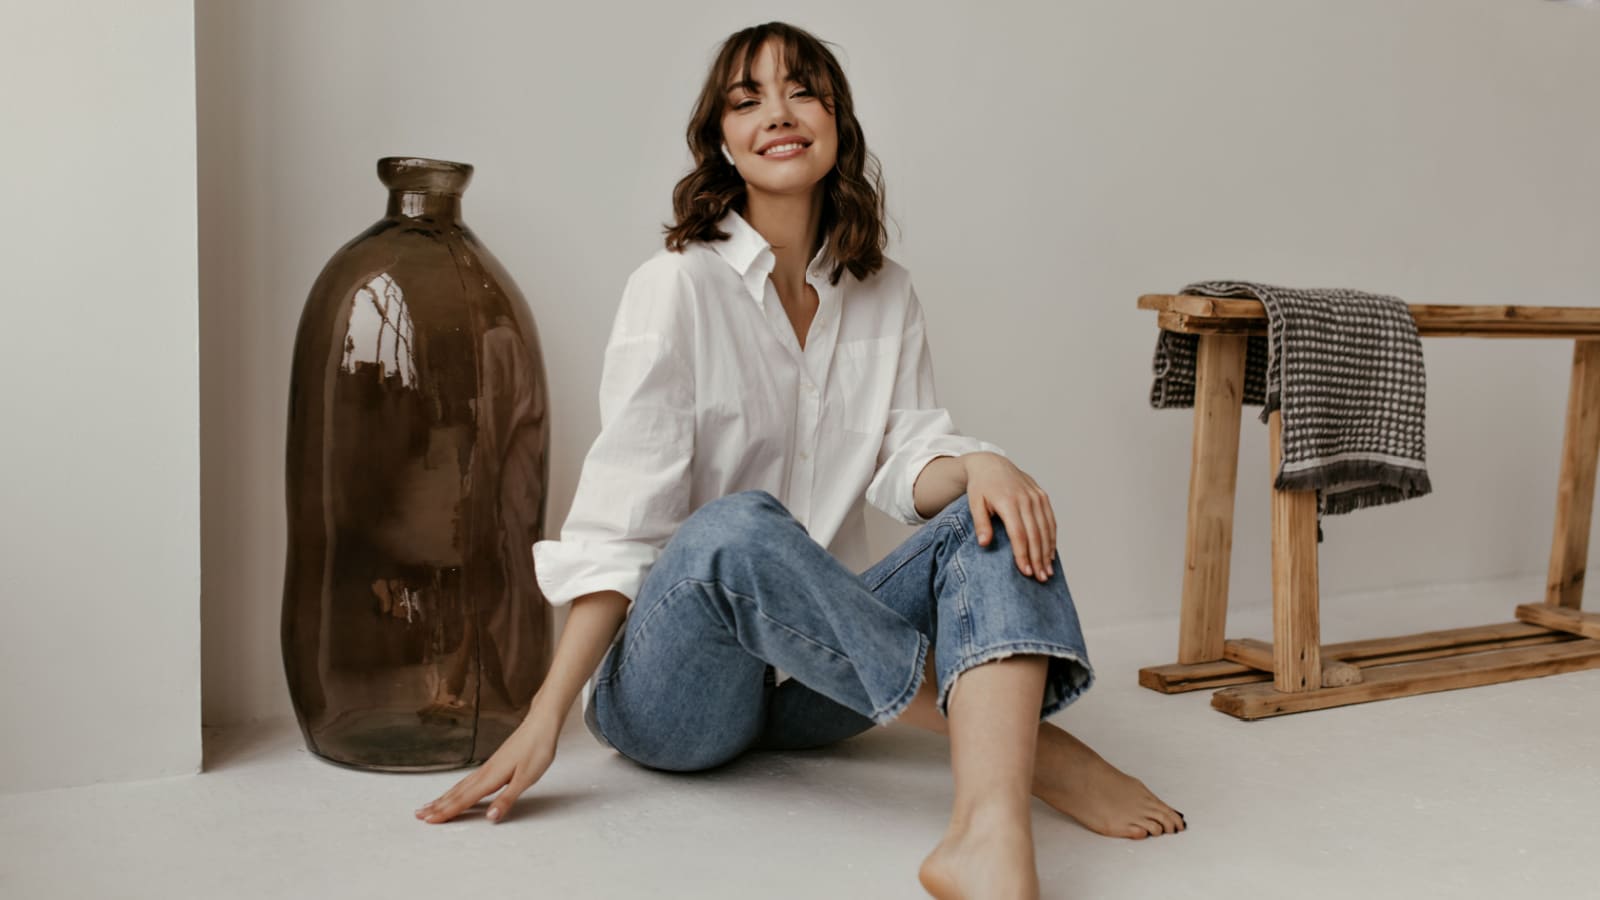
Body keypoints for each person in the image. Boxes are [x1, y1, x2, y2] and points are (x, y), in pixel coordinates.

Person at [415, 21, 1185, 898]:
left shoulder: (884, 290)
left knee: (992, 511)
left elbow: (907, 463)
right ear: (722, 142)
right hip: (675, 700)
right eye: (747, 100)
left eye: (801, 91)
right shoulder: (676, 287)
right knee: (739, 526)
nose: (777, 114)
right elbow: (617, 530)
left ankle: (989, 827)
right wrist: (545, 717)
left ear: (837, 120)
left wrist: (976, 466)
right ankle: (1039, 750)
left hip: (816, 688)